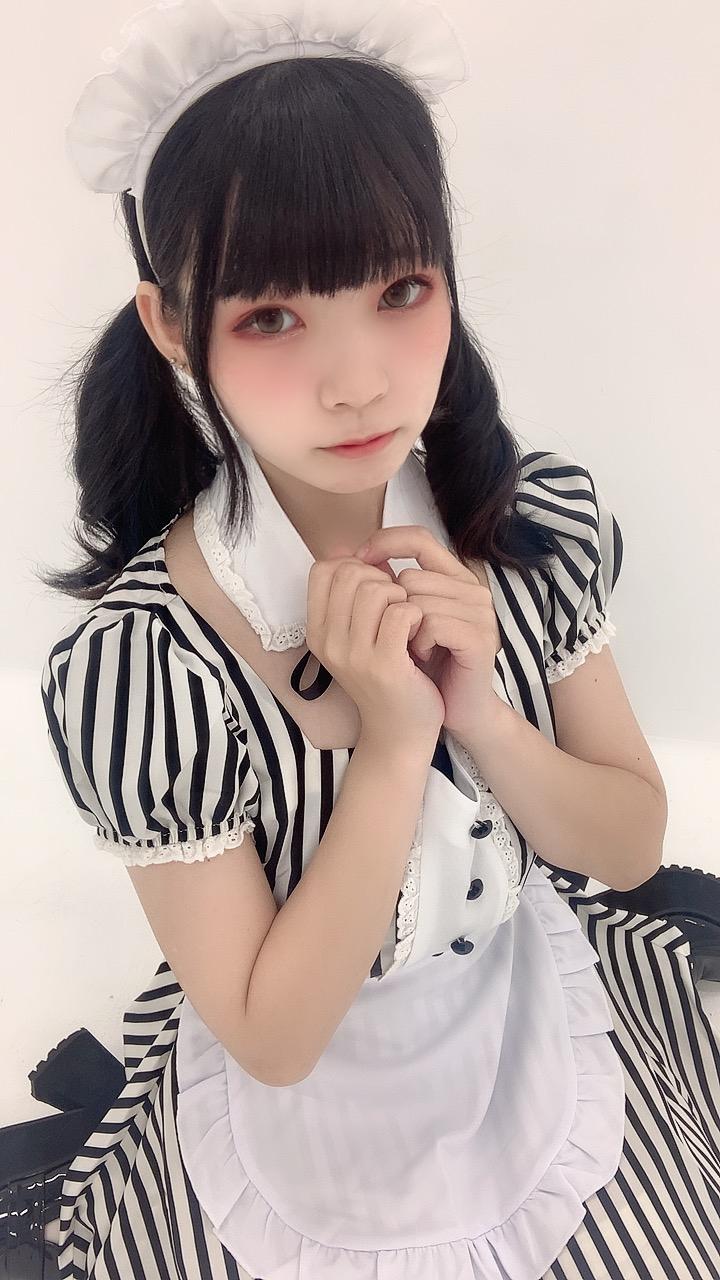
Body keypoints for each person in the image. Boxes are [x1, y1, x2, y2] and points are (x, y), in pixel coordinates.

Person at [37, 2, 720, 1277]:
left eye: (401, 289)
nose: (358, 379)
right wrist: (396, 749)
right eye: (272, 316)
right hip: (306, 1094)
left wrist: (482, 715)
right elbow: (273, 1036)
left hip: (517, 1011)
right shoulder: (147, 667)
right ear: (173, 324)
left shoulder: (529, 524)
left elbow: (627, 847)